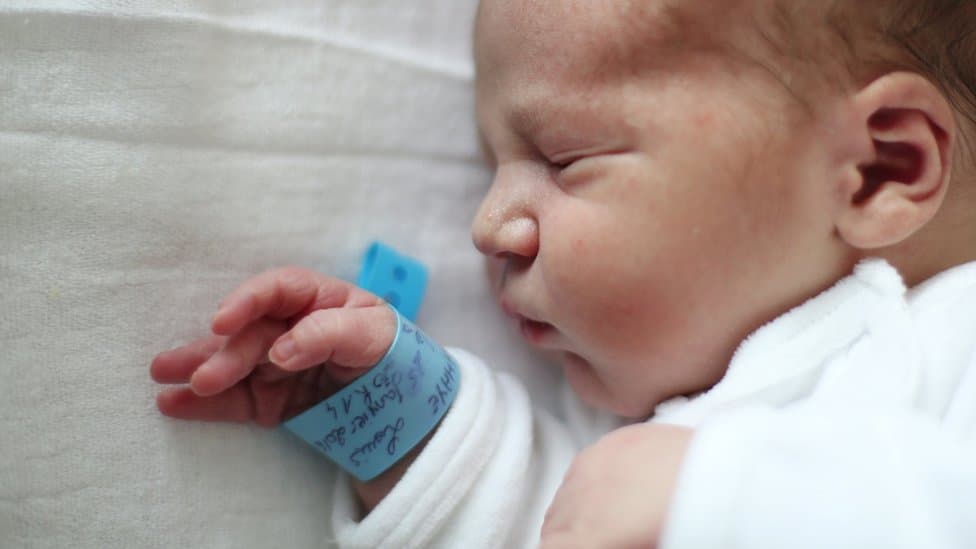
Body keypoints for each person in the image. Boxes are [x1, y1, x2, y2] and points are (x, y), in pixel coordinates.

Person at [150, 0, 976, 547]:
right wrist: (394, 422)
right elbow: (543, 518)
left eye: (564, 158)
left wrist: (713, 495)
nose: (487, 226)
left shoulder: (953, 343)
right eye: (491, 167)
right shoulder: (630, 425)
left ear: (879, 167)